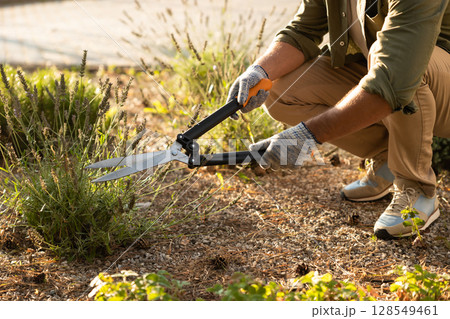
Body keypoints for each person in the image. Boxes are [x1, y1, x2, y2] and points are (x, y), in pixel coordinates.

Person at [226, 0, 450, 239]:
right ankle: (390, 159)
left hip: (431, 80)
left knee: (405, 66)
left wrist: (307, 136)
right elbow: (304, 29)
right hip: (393, 70)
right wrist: (259, 71)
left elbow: (395, 76)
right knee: (283, 90)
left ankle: (417, 188)